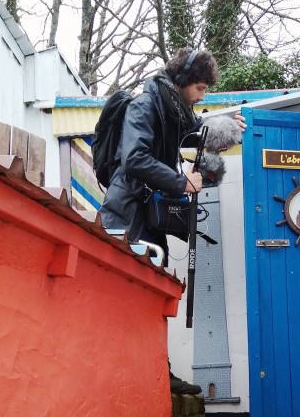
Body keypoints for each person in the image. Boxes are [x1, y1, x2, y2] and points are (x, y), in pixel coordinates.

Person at [100, 47, 245, 395]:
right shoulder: (145, 105)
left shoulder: (175, 109)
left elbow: (197, 130)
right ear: (181, 80)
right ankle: (127, 370)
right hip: (128, 211)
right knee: (129, 291)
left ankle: (157, 370)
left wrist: (228, 126)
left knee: (155, 291)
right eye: (200, 87)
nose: (203, 95)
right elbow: (134, 158)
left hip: (149, 212)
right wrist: (181, 182)